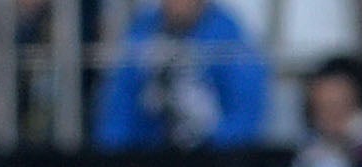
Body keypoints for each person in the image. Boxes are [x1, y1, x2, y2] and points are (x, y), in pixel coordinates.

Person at [92, 0, 269, 151]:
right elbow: (116, 116)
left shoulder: (231, 39)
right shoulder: (141, 33)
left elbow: (245, 120)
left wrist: (208, 138)